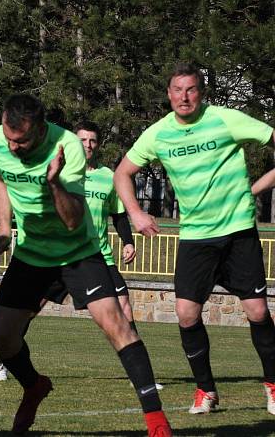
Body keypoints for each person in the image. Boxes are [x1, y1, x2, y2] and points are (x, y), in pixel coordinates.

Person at [0, 94, 170, 436]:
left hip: (78, 253)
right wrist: (3, 230)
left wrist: (53, 182)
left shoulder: (67, 146)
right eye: (10, 139)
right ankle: (34, 385)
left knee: (117, 326)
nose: (13, 147)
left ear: (41, 129)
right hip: (30, 254)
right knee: (2, 338)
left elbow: (72, 220)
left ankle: (157, 422)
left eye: (22, 141)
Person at [114, 63, 275, 416]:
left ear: (201, 93)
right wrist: (136, 214)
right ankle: (206, 391)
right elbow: (122, 173)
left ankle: (273, 384)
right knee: (186, 314)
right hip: (196, 237)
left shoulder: (225, 118)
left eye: (190, 90)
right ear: (168, 94)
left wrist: (258, 186)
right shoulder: (158, 134)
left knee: (258, 310)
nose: (183, 97)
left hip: (237, 231)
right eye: (177, 90)